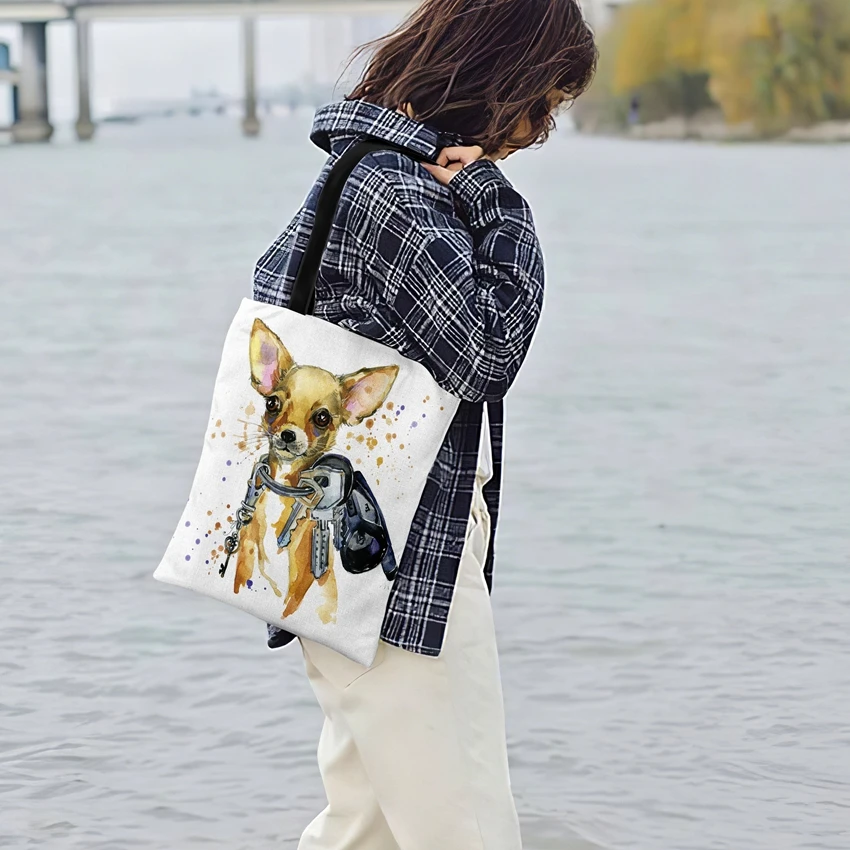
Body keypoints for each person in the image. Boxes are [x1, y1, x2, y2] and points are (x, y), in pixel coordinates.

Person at [254, 1, 597, 847]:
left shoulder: (359, 170)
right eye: (543, 102)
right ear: (499, 75)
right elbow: (487, 356)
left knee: (365, 827)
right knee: (466, 826)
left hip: (338, 557)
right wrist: (495, 202)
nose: (540, 130)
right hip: (401, 567)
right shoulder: (400, 191)